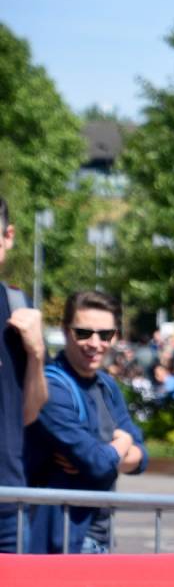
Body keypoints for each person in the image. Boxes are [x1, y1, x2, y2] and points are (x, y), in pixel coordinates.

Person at [24, 290, 147, 554]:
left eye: (106, 335)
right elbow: (97, 464)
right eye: (83, 333)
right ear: (65, 330)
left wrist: (113, 449)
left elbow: (141, 456)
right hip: (62, 542)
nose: (95, 343)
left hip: (101, 537)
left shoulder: (106, 385)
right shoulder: (51, 388)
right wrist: (118, 445)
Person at [0, 196, 48, 553]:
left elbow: (29, 413)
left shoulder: (18, 308)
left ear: (8, 236)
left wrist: (36, 354)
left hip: (7, 498)